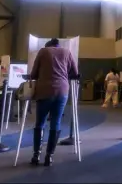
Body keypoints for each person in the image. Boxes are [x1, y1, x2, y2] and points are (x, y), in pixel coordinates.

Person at [29, 38, 78, 167]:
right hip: (62, 91)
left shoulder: (43, 51)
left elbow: (33, 74)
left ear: (48, 45)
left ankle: (36, 155)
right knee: (56, 122)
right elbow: (75, 72)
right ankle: (49, 156)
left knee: (40, 122)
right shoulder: (67, 52)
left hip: (44, 90)